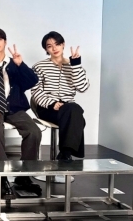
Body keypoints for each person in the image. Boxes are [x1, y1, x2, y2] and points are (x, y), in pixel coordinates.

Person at [0, 27, 42, 198]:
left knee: (33, 131)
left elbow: (32, 81)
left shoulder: (14, 63)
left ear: (5, 42)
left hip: (14, 108)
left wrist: (20, 64)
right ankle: (1, 177)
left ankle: (24, 176)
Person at [32, 31, 90, 161]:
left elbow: (83, 87)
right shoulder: (39, 66)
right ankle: (66, 154)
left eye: (57, 44)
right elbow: (36, 91)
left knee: (72, 109)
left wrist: (76, 65)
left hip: (68, 107)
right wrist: (52, 104)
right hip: (47, 108)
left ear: (63, 44)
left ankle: (65, 154)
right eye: (49, 46)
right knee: (78, 117)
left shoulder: (74, 66)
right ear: (46, 49)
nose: (54, 48)